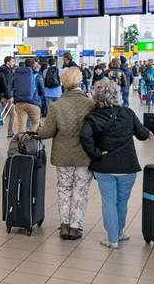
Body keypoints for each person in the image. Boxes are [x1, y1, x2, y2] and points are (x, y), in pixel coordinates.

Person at [80, 80, 153, 249]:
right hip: (127, 166)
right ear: (118, 95)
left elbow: (85, 136)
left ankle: (112, 238)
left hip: (104, 167)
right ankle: (119, 233)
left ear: (97, 97)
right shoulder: (127, 113)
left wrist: (96, 153)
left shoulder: (93, 117)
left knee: (109, 201)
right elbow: (142, 135)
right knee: (122, 201)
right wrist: (148, 133)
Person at [37, 67, 95, 240]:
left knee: (64, 189)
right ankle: (76, 227)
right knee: (81, 191)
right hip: (85, 155)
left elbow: (46, 132)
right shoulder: (91, 104)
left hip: (63, 155)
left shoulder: (56, 106)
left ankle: (64, 226)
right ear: (79, 82)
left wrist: (37, 130)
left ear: (63, 84)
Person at [14, 58, 45, 133]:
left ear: (24, 64)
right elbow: (42, 90)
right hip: (33, 102)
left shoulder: (17, 74)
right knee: (35, 123)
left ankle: (21, 142)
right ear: (34, 65)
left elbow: (13, 87)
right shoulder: (37, 75)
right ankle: (31, 140)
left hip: (19, 102)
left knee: (21, 124)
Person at [0, 56, 16, 139]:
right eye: (12, 61)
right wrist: (9, 96)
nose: (13, 63)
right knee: (13, 114)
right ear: (8, 62)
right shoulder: (8, 72)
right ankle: (10, 132)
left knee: (0, 115)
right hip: (6, 97)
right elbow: (7, 85)